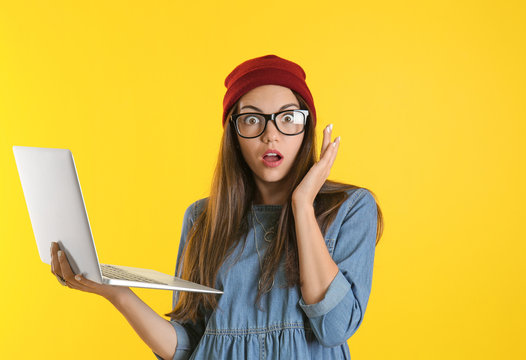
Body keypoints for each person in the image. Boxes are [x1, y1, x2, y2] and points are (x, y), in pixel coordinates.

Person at [50, 54, 384, 360]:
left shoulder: (349, 209)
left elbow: (335, 328)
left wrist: (302, 206)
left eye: (287, 117)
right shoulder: (202, 219)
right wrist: (118, 295)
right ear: (234, 133)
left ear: (306, 127)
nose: (271, 135)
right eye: (253, 119)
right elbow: (187, 345)